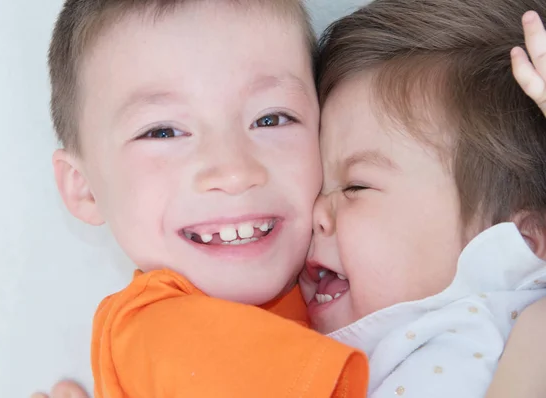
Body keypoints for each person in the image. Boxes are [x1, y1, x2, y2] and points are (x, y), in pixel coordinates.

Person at [38, 0, 368, 397]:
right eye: (163, 132)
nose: (233, 171)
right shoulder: (160, 333)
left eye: (271, 119)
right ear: (84, 187)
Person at [299, 0, 546, 396]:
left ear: (522, 239)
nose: (314, 212)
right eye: (315, 186)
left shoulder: (482, 339)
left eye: (355, 187)